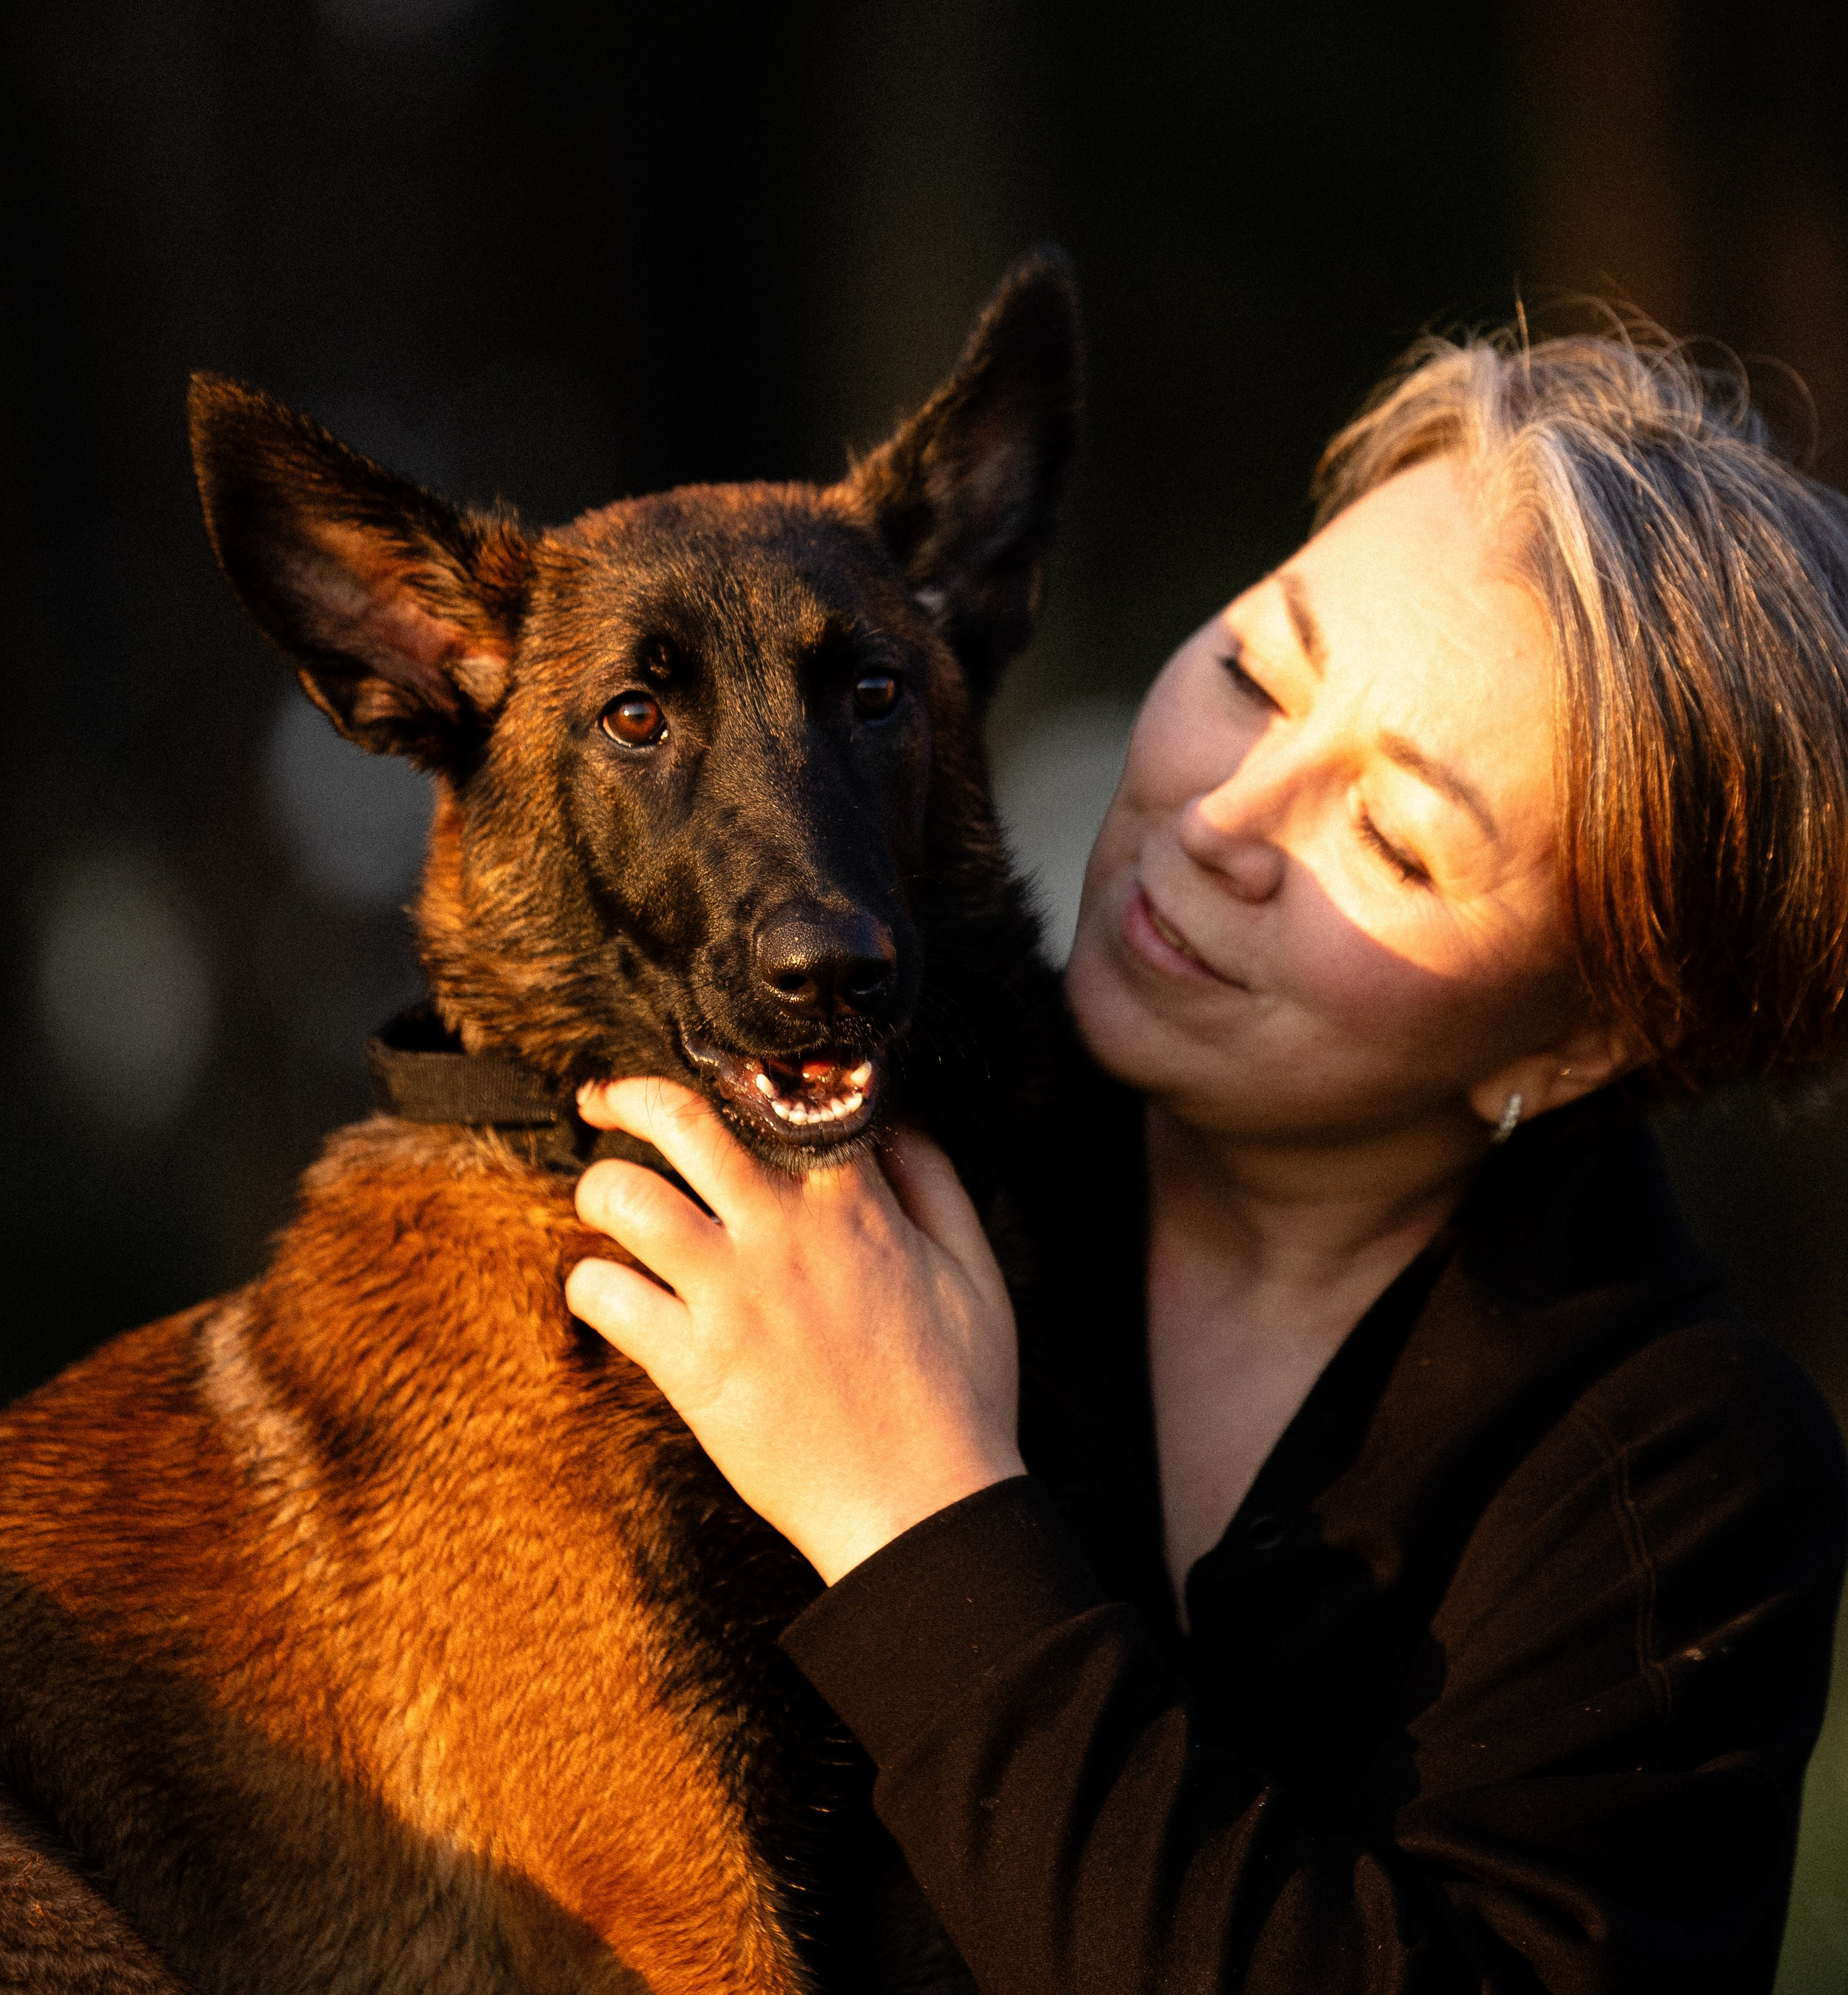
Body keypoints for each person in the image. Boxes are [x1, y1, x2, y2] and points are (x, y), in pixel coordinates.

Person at [563, 324, 1848, 1994]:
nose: (1228, 818)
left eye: (1393, 837)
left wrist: (912, 1510)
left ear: (1582, 1037)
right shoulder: (846, 1129)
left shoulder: (1669, 1475)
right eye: (1257, 670)